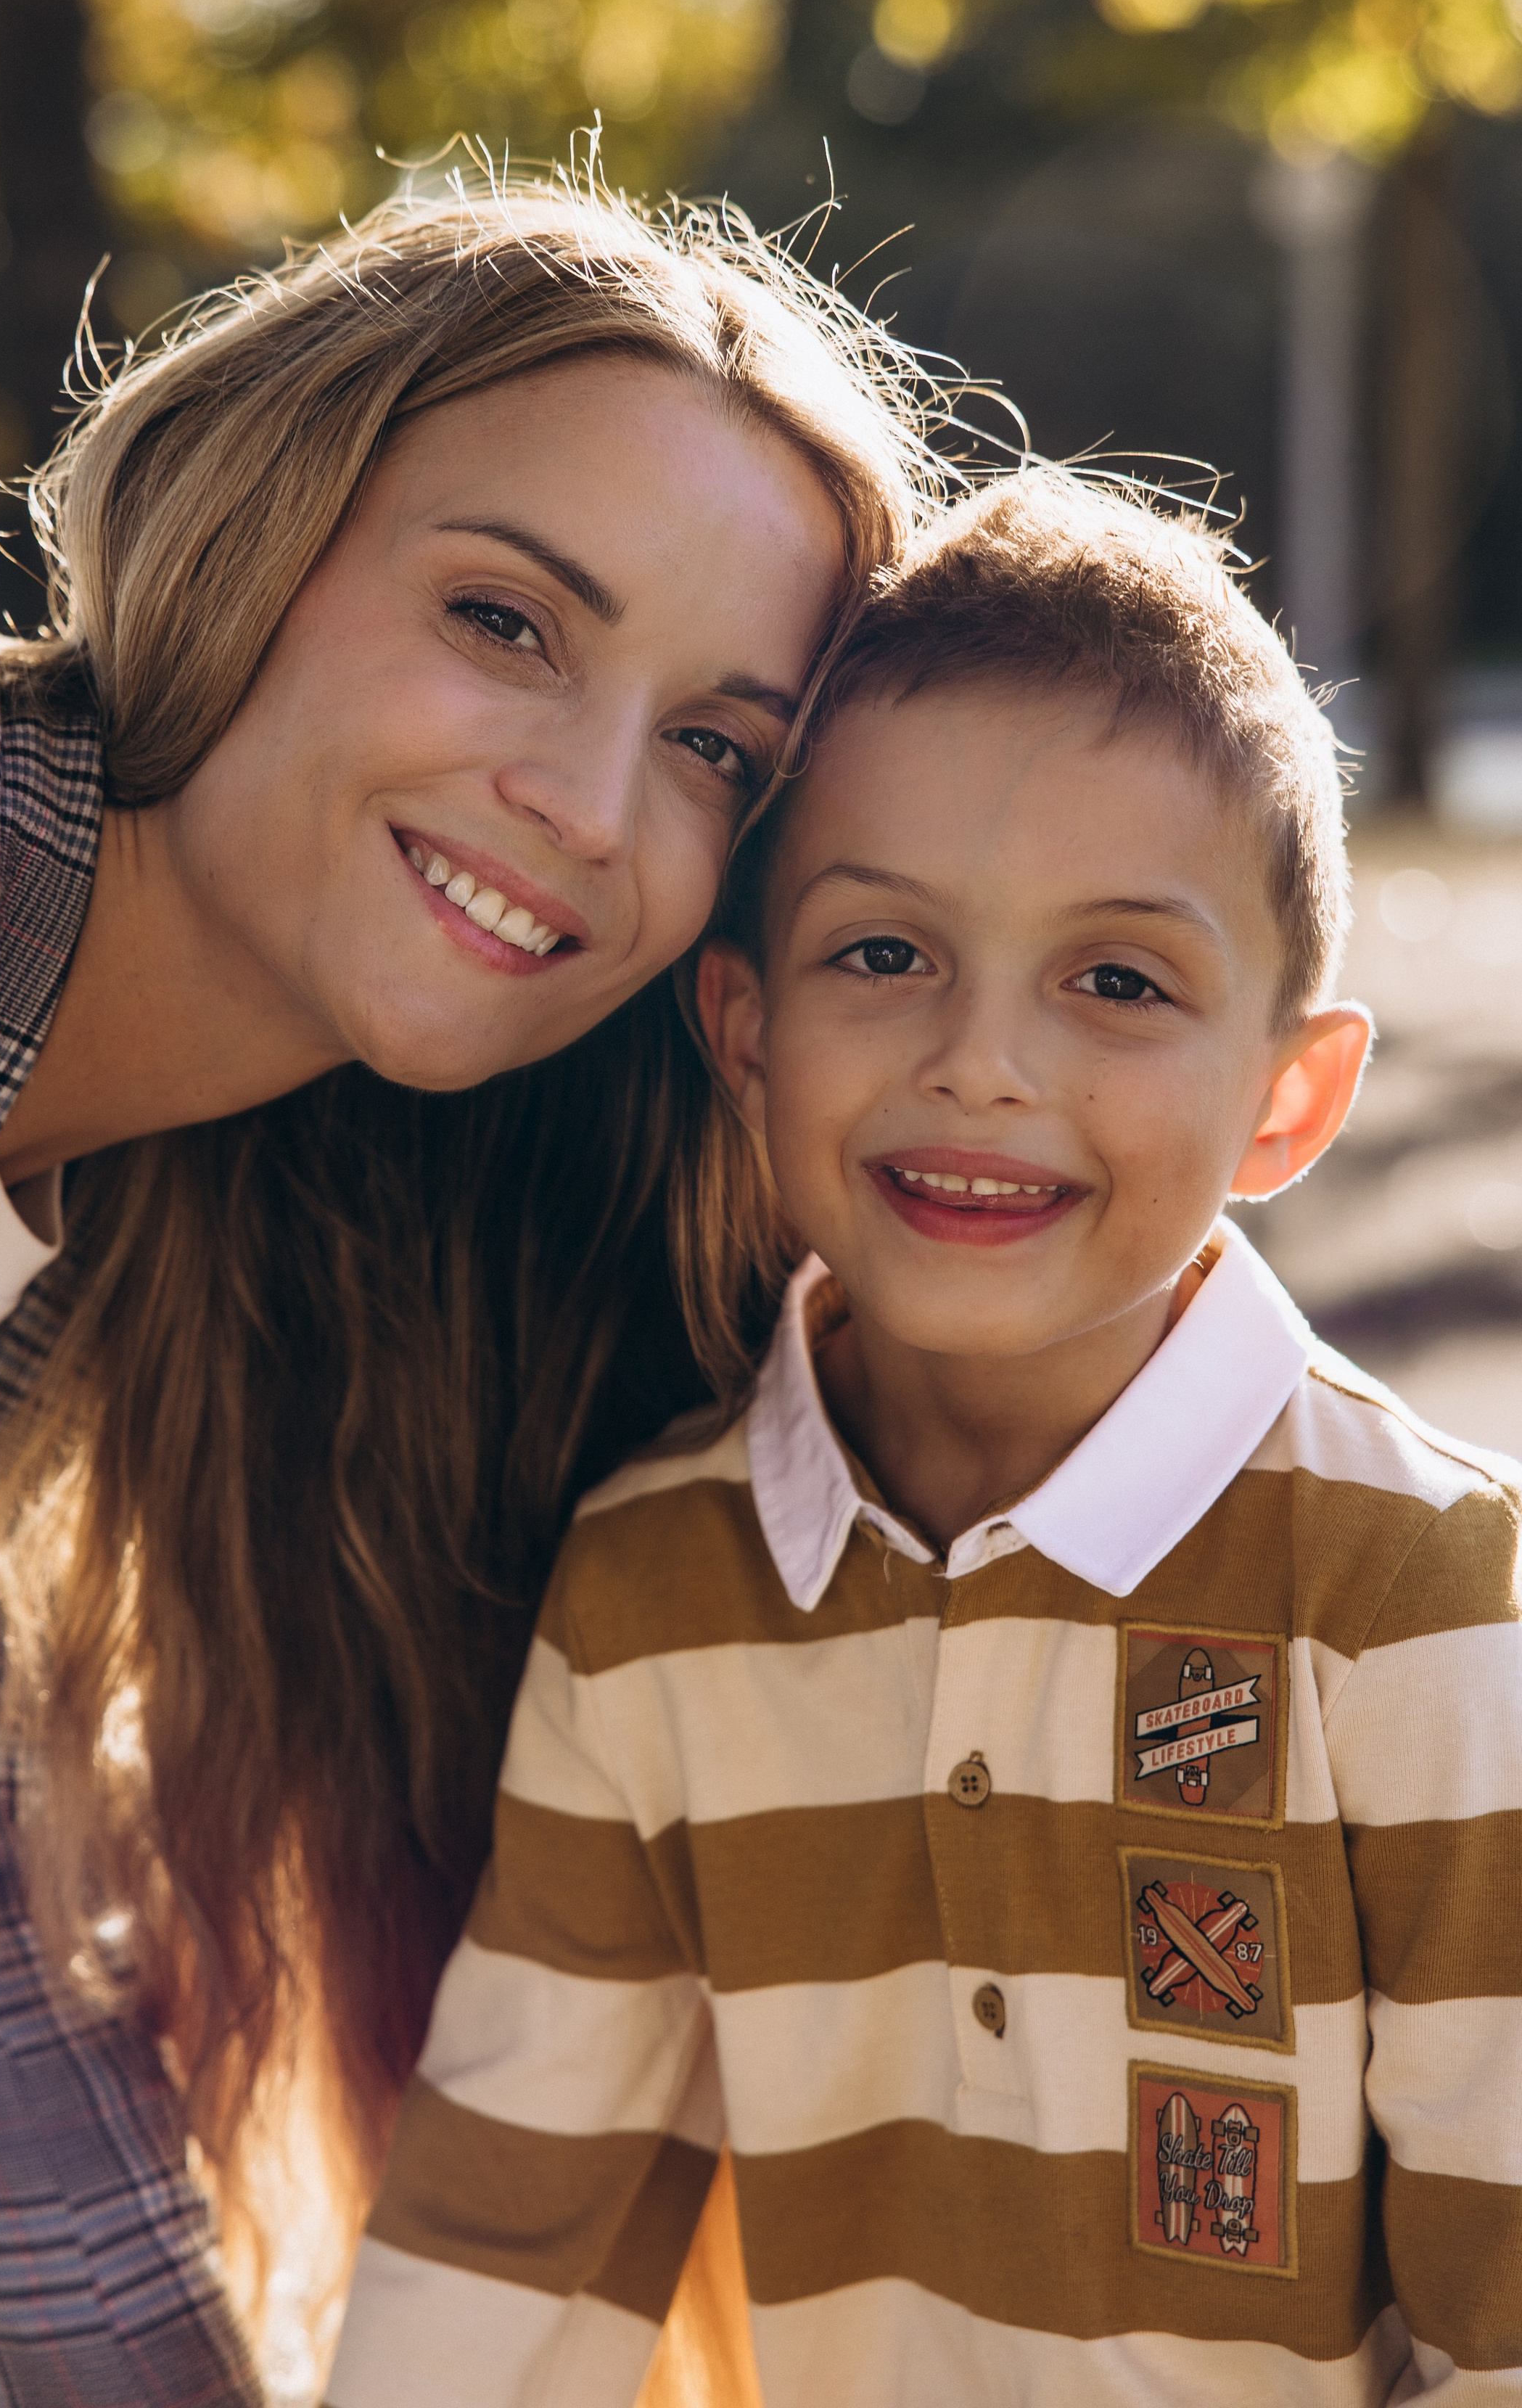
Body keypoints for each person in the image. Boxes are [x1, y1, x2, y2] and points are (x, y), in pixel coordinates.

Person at [0, 175, 938, 2404]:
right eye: (508, 621)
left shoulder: (129, 1208)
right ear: (256, 522)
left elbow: (4, 2021)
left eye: (717, 750)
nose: (586, 801)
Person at [329, 465, 1522, 2406]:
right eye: (883, 955)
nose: (985, 1060)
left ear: (1288, 1107)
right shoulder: (648, 1598)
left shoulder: (1423, 1598)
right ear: (746, 1035)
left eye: (1118, 981)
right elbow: (511, 2236)